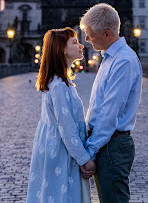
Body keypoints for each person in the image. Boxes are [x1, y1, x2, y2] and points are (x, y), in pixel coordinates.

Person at [80, 3, 142, 203]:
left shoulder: (123, 61)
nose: (87, 39)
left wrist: (89, 151)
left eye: (90, 34)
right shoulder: (109, 59)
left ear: (107, 33)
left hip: (111, 146)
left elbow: (109, 113)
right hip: (106, 144)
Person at [26, 27, 95, 203]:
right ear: (61, 49)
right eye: (75, 42)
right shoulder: (59, 86)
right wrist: (85, 160)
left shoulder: (59, 81)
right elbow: (67, 129)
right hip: (61, 154)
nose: (81, 46)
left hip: (57, 150)